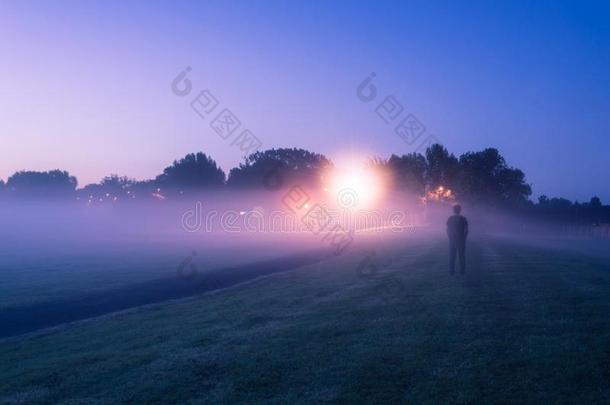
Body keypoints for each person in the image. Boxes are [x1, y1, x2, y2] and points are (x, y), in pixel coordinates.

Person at [447, 204, 468, 275]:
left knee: (452, 256)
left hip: (452, 240)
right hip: (461, 240)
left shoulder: (450, 219)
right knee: (461, 256)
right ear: (460, 210)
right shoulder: (463, 219)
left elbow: (448, 230)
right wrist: (464, 238)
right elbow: (466, 230)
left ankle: (451, 272)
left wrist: (450, 238)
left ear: (453, 210)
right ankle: (462, 272)